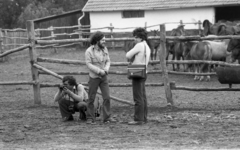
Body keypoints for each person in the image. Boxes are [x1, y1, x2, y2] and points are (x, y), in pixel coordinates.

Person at [85, 31, 116, 124]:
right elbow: (89, 64)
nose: (104, 41)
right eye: (102, 40)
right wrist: (99, 71)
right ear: (97, 40)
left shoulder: (105, 49)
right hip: (94, 77)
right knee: (91, 98)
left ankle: (107, 117)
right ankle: (90, 118)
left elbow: (108, 61)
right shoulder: (88, 51)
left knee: (107, 97)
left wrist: (106, 69)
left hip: (104, 77)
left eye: (104, 40)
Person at [126, 27, 151, 125]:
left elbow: (128, 55)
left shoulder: (139, 45)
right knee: (143, 96)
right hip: (144, 72)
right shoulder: (146, 46)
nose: (134, 39)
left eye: (136, 37)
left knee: (137, 97)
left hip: (137, 72)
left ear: (141, 38)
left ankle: (138, 119)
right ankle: (144, 117)